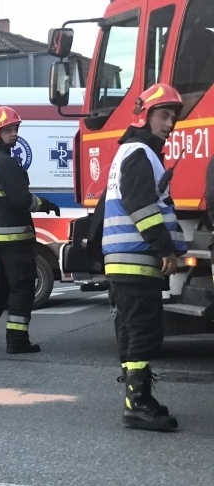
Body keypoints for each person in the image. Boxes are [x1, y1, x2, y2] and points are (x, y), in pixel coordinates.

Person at [102, 82, 188, 432]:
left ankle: (137, 399)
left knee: (132, 330)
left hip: (125, 260)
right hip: (135, 259)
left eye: (172, 118)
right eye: (164, 115)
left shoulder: (133, 151)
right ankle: (137, 404)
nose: (169, 124)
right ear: (145, 115)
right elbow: (140, 205)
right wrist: (164, 247)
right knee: (143, 330)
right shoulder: (139, 152)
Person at [0, 106, 60, 354]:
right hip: (14, 236)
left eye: (15, 129)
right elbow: (21, 200)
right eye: (8, 130)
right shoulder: (5, 163)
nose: (14, 134)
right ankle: (17, 340)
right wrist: (45, 204)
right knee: (22, 286)